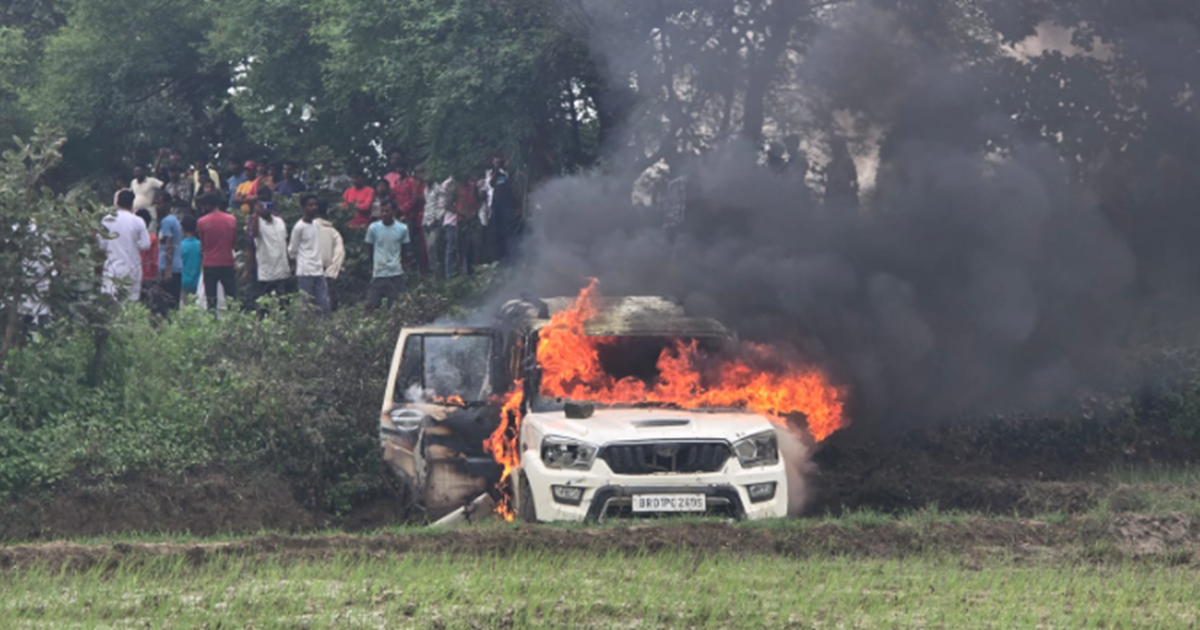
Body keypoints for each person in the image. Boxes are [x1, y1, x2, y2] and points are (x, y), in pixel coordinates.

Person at [100, 190, 151, 302]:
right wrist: (133, 242)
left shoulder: (106, 219)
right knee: (129, 302)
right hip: (132, 267)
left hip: (111, 267)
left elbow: (101, 244)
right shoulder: (138, 221)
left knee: (110, 301)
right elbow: (145, 245)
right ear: (132, 203)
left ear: (116, 202)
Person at [365, 199, 411, 313]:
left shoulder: (402, 229)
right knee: (371, 307)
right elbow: (369, 248)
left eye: (387, 211)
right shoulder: (373, 228)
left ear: (394, 212)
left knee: (396, 308)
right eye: (382, 211)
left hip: (395, 272)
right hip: (379, 272)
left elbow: (405, 250)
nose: (384, 214)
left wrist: (403, 266)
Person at [195, 192, 238, 311]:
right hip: (227, 262)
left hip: (210, 263)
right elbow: (233, 243)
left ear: (207, 206)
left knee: (211, 300)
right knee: (231, 298)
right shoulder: (232, 219)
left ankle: (212, 323)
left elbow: (203, 245)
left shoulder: (201, 222)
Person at [247, 188, 291, 304]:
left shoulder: (279, 220)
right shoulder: (255, 220)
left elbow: (285, 242)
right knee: (263, 301)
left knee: (283, 301)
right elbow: (254, 236)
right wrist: (257, 214)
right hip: (265, 269)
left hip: (282, 269)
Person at [290, 195, 331, 314]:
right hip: (305, 270)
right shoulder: (299, 227)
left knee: (323, 303)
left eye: (315, 205)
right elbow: (293, 249)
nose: (314, 208)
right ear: (303, 208)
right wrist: (293, 266)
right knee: (305, 304)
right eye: (310, 205)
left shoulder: (316, 226)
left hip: (318, 269)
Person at [446, 176, 480, 279]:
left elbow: (478, 201)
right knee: (461, 248)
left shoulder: (473, 187)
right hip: (461, 221)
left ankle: (472, 272)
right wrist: (462, 213)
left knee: (473, 247)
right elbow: (447, 205)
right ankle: (461, 273)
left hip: (472, 221)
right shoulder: (456, 189)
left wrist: (474, 212)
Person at [394, 165, 427, 272]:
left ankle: (418, 269)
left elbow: (415, 199)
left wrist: (403, 209)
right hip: (400, 215)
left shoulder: (412, 182)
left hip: (412, 215)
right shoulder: (397, 182)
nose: (400, 170)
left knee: (411, 242)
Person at [157, 191, 184, 313]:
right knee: (174, 300)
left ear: (168, 204)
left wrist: (167, 268)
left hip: (170, 266)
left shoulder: (166, 221)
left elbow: (169, 244)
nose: (158, 206)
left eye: (161, 203)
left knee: (166, 301)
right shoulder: (173, 220)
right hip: (176, 265)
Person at [316, 201, 346, 311]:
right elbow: (340, 253)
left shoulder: (305, 228)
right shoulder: (333, 232)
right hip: (328, 272)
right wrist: (332, 271)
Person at [488, 155, 517, 265]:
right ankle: (500, 259)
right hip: (498, 207)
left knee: (510, 233)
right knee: (497, 232)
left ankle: (511, 259)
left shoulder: (513, 175)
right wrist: (496, 169)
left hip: (509, 207)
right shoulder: (497, 174)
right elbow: (491, 184)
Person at [424, 172, 450, 279]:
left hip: (435, 222)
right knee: (429, 249)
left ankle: (436, 269)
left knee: (431, 245)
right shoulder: (425, 190)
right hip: (425, 221)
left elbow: (443, 206)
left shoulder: (439, 189)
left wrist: (438, 218)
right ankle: (433, 272)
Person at [135, 208, 160, 307]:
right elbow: (155, 258)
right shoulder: (153, 238)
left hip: (133, 273)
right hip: (149, 274)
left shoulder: (132, 237)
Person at [180, 215, 202, 304]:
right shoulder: (200, 245)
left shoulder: (181, 246)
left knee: (185, 306)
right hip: (198, 281)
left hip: (184, 281)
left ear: (182, 229)